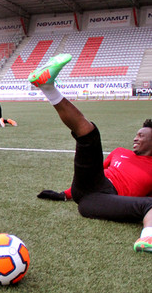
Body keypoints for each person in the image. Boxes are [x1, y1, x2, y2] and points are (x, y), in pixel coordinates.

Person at [28, 53, 152, 253]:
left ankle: (147, 238)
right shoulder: (120, 152)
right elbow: (92, 171)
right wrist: (64, 194)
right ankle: (47, 87)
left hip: (100, 201)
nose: (135, 138)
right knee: (89, 136)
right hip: (90, 186)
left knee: (150, 204)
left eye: (141, 135)